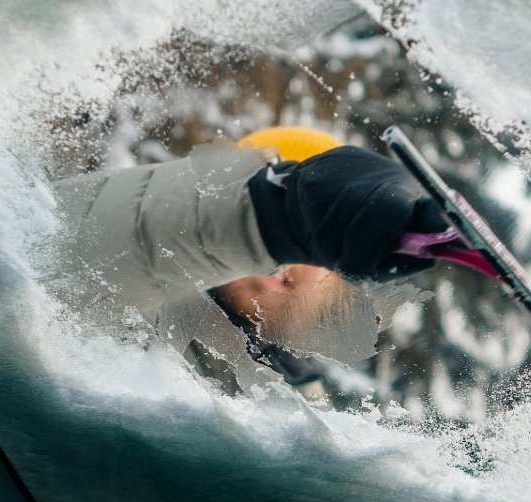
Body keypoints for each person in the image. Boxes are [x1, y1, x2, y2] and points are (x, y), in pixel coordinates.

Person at [54, 126, 445, 392]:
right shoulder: (127, 320)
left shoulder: (296, 429)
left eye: (318, 251)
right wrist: (263, 219)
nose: (289, 265)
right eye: (289, 245)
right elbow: (74, 247)